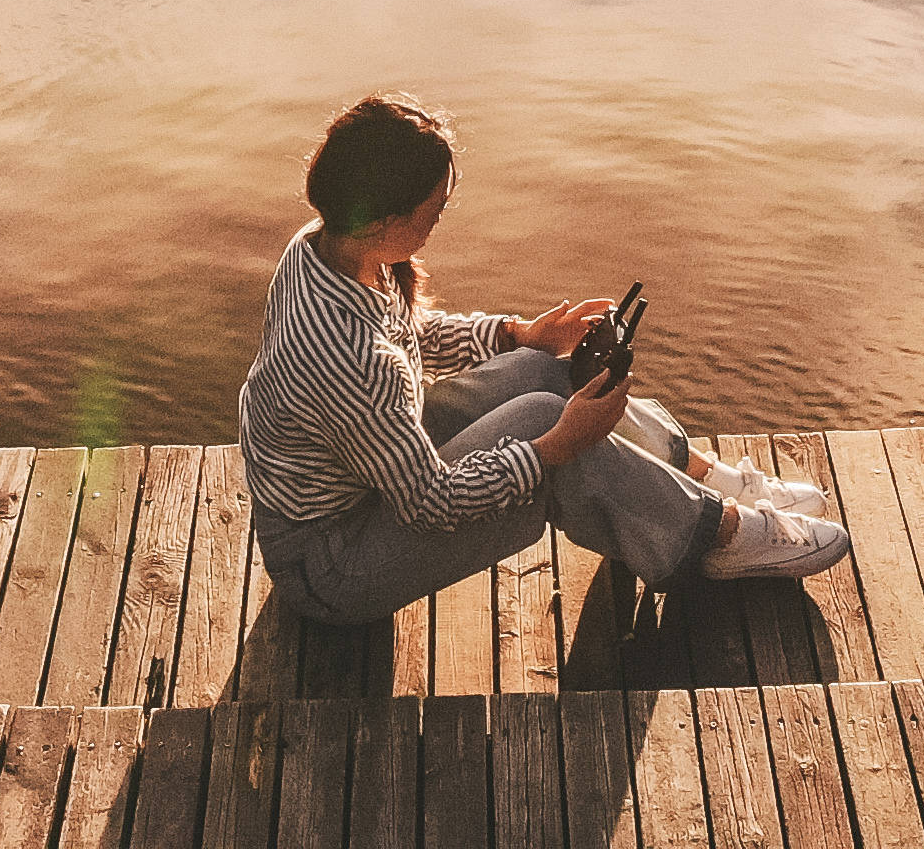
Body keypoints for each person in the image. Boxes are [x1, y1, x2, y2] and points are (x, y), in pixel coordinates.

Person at [241, 95, 852, 627]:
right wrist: (553, 448)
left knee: (543, 374)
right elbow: (429, 503)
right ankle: (717, 538)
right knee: (551, 435)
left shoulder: (324, 247)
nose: (440, 218)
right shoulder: (348, 357)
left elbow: (410, 335)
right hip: (331, 563)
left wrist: (520, 334)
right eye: (434, 210)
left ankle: (695, 477)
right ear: (383, 222)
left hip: (365, 477)